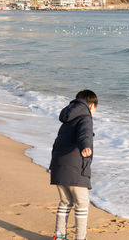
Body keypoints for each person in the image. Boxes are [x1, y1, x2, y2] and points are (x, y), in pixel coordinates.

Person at [50, 90, 98, 240]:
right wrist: (86, 147)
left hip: (58, 167)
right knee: (82, 204)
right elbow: (85, 134)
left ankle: (59, 236)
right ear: (91, 105)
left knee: (65, 202)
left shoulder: (68, 118)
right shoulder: (85, 117)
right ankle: (80, 237)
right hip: (75, 168)